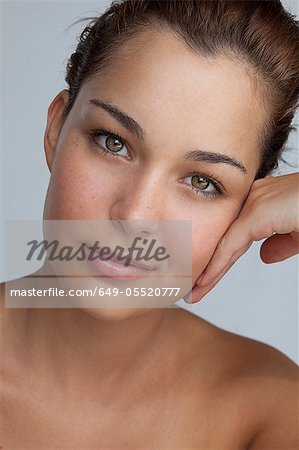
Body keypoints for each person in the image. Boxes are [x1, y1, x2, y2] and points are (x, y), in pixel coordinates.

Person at [1, 0, 299, 448]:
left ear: (252, 207)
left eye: (202, 181)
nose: (135, 215)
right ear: (56, 129)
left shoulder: (272, 408)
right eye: (113, 143)